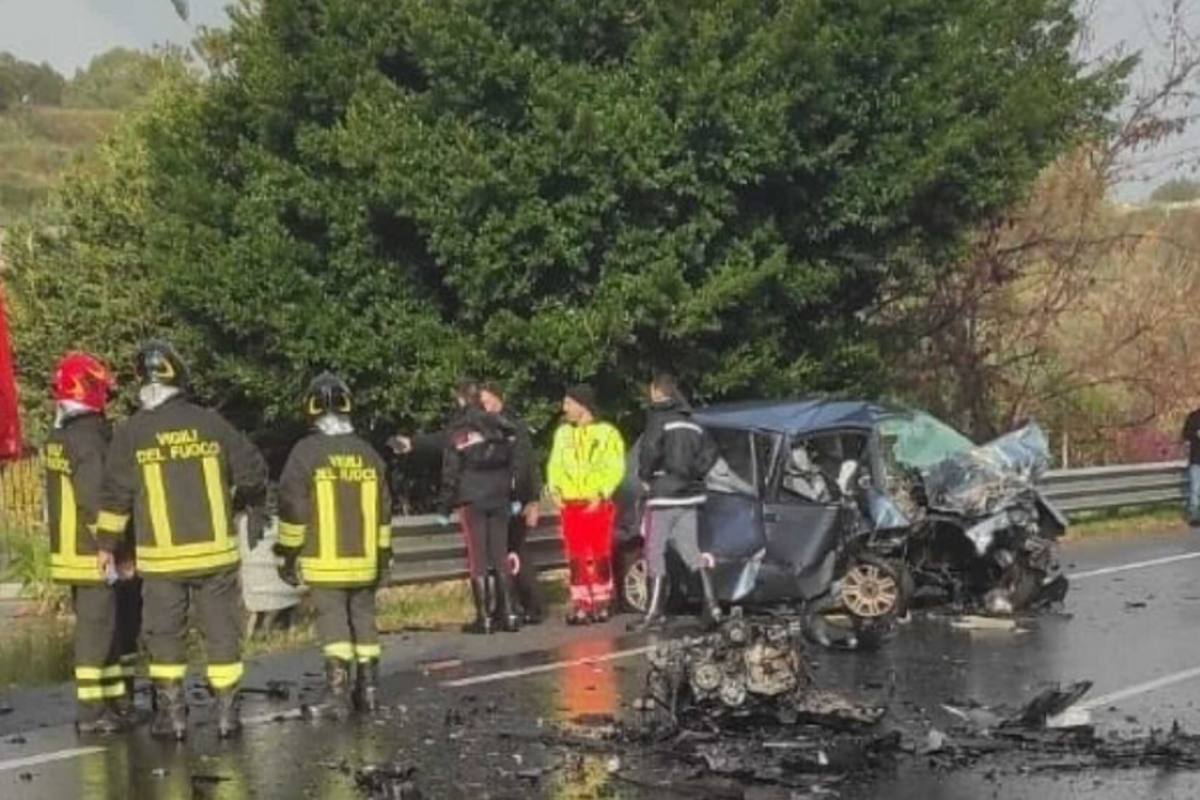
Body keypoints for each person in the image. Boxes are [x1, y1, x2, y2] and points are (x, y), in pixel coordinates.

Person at [95, 340, 268, 741]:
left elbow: (115, 497)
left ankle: (172, 717)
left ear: (141, 380)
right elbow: (253, 472)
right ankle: (226, 715)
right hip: (215, 556)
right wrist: (243, 503)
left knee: (163, 634)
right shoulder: (211, 424)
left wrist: (106, 545)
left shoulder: (132, 432)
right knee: (221, 632)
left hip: (162, 561)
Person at [275, 373, 393, 718]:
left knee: (334, 622)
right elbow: (384, 510)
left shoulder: (306, 453)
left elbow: (292, 507)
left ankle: (337, 693)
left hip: (325, 560)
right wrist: (383, 555)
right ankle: (369, 691)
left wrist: (287, 554)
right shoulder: (369, 454)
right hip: (366, 560)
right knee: (364, 620)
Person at [43, 352, 138, 734]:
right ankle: (91, 712)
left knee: (104, 627)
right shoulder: (89, 438)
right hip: (92, 551)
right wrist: (112, 547)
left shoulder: (60, 435)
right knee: (96, 632)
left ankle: (115, 703)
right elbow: (97, 498)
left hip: (72, 549)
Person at [630, 372, 721, 631]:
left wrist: (645, 476)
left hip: (664, 494)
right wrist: (694, 473)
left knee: (654, 550)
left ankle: (654, 612)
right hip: (689, 495)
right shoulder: (693, 422)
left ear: (658, 392)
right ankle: (712, 605)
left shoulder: (658, 419)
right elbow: (711, 452)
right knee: (690, 550)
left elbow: (650, 449)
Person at [439, 386, 524, 634]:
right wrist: (514, 496)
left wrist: (445, 506)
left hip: (472, 498)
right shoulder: (501, 425)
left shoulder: (460, 429)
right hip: (500, 496)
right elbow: (515, 464)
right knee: (500, 553)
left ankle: (484, 617)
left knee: (477, 557)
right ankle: (509, 614)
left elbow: (451, 471)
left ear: (461, 400)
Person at [546, 384, 626, 624]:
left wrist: (601, 493)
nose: (565, 408)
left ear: (583, 405)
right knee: (575, 555)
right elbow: (555, 464)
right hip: (570, 503)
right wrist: (554, 489)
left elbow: (615, 466)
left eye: (569, 403)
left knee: (599, 553)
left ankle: (603, 602)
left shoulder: (607, 433)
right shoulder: (563, 434)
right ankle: (581, 604)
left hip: (596, 502)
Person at [480, 381, 545, 625]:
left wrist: (532, 500)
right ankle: (508, 604)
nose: (485, 407)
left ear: (498, 399)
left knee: (517, 554)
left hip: (515, 499)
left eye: (487, 402)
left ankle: (530, 605)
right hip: (496, 498)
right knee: (501, 554)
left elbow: (527, 464)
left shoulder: (513, 426)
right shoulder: (486, 428)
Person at [1183, 406, 1200, 525]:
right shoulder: (1193, 417)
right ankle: (1194, 516)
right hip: (1196, 459)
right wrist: (1196, 434)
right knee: (1195, 489)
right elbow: (1185, 434)